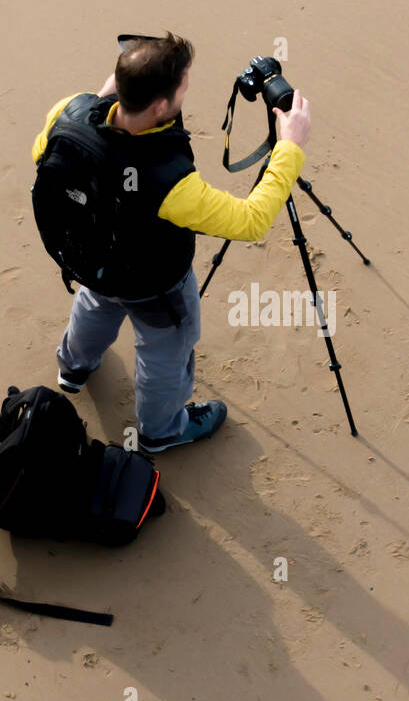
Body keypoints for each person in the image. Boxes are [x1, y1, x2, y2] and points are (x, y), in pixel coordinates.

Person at [30, 32, 312, 452]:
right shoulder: (171, 185)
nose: (187, 87)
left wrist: (130, 79)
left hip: (91, 259)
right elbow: (251, 221)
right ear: (162, 106)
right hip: (153, 284)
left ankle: (72, 367)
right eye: (183, 83)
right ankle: (161, 431)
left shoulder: (65, 114)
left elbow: (55, 142)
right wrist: (289, 145)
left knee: (96, 301)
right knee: (164, 353)